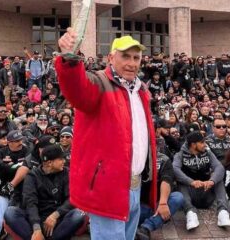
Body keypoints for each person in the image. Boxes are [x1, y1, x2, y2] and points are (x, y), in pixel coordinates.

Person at [57, 32, 157, 240]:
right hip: (107, 187)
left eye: (136, 58)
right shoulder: (99, 82)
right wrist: (69, 59)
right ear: (111, 58)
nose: (131, 63)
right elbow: (77, 90)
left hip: (135, 185)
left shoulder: (141, 89)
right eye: (125, 56)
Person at [4, 145, 87, 240]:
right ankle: (37, 237)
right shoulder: (32, 176)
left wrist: (55, 215)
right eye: (60, 159)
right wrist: (36, 228)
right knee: (10, 212)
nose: (64, 161)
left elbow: (72, 198)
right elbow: (30, 203)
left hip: (58, 218)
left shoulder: (66, 172)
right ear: (49, 163)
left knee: (79, 214)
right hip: (36, 218)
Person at [173, 131, 230, 230]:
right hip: (190, 193)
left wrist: (212, 181)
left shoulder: (207, 152)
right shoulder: (180, 155)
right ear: (193, 144)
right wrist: (191, 182)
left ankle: (223, 213)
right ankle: (190, 213)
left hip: (206, 191)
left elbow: (219, 167)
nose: (205, 144)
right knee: (180, 182)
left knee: (218, 180)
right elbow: (175, 169)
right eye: (201, 142)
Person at [136, 151, 184, 240]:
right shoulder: (134, 158)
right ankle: (153, 221)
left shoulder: (163, 159)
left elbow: (166, 180)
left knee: (178, 197)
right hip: (139, 207)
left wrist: (163, 204)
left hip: (159, 204)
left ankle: (145, 228)